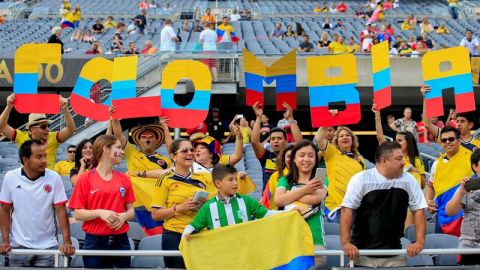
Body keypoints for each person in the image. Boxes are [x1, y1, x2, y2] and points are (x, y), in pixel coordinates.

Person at [341, 141, 427, 267]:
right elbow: (347, 209)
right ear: (384, 160)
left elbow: (419, 210)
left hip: (395, 254)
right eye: (399, 159)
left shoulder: (409, 180)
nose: (403, 162)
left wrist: (419, 242)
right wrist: (346, 243)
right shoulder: (360, 179)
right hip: (362, 255)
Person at [0, 140, 75, 266]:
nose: (44, 160)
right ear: (25, 159)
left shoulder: (54, 177)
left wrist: (67, 242)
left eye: (45, 156)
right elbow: (4, 209)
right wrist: (6, 241)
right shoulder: (10, 177)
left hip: (47, 248)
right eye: (39, 157)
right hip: (18, 247)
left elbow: (61, 211)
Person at [69, 135, 135, 268]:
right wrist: (100, 213)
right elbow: (77, 214)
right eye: (118, 147)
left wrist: (123, 216)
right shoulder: (85, 179)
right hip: (94, 240)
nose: (122, 151)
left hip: (121, 239)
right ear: (105, 149)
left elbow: (131, 211)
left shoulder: (125, 179)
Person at [151, 139, 208, 268]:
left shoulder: (201, 180)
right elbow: (155, 215)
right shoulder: (165, 180)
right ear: (173, 156)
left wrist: (204, 206)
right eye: (184, 151)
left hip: (199, 234)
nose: (190, 153)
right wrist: (180, 208)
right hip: (174, 236)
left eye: (191, 150)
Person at [110, 116, 172, 235]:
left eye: (151, 137)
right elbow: (118, 135)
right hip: (137, 205)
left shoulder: (165, 160)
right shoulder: (131, 153)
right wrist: (115, 119)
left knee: (158, 236)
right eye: (143, 137)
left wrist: (165, 127)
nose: (147, 139)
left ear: (157, 140)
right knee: (141, 236)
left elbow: (173, 156)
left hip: (158, 204)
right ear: (139, 141)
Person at [183, 164, 280, 239]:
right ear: (218, 183)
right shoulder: (208, 207)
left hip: (246, 256)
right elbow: (193, 226)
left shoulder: (247, 201)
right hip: (223, 258)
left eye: (236, 179)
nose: (235, 183)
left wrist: (289, 211)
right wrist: (187, 233)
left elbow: (269, 214)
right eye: (230, 180)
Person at [275, 140, 328, 265]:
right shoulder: (285, 179)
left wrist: (290, 194)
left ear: (315, 159)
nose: (306, 159)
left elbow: (316, 198)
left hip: (315, 239)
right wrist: (306, 189)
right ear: (294, 159)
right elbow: (278, 200)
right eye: (302, 155)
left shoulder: (321, 179)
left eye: (311, 155)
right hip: (290, 239)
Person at [373, 104, 426, 228]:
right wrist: (377, 116)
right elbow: (380, 137)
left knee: (405, 233)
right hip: (391, 198)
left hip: (410, 202)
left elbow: (423, 184)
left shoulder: (416, 160)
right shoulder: (390, 155)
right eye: (396, 140)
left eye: (400, 140)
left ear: (409, 143)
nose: (396, 142)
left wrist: (415, 171)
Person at [0, 94, 76, 170]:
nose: (47, 129)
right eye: (43, 127)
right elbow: (2, 126)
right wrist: (8, 107)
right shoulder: (21, 136)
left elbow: (71, 129)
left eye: (48, 126)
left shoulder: (53, 137)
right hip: (27, 180)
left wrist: (65, 109)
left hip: (47, 180)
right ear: (32, 129)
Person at [425, 126, 473, 236]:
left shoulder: (471, 159)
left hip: (466, 217)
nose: (447, 142)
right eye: (444, 140)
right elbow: (430, 186)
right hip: (442, 218)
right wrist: (428, 200)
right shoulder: (437, 164)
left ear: (459, 140)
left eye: (451, 139)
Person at [315, 124, 366, 222]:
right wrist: (327, 120)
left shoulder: (360, 160)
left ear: (352, 139)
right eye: (341, 136)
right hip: (335, 208)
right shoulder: (332, 153)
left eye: (347, 135)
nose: (345, 137)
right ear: (336, 141)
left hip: (355, 208)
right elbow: (319, 138)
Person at [252, 102, 302, 191]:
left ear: (286, 141)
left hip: (288, 199)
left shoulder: (291, 157)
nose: (275, 141)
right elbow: (254, 142)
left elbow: (300, 143)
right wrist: (259, 118)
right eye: (273, 139)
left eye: (279, 138)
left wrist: (290, 118)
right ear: (270, 141)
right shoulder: (266, 156)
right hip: (268, 201)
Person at [445, 149, 480, 265]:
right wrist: (461, 191)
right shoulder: (467, 187)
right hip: (469, 248)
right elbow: (450, 212)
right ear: (475, 166)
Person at [421, 85, 480, 151]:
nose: (458, 124)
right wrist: (425, 98)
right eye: (457, 121)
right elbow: (427, 124)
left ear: (470, 125)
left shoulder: (478, 141)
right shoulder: (448, 137)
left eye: (462, 121)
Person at [261, 144, 294, 210]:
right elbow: (266, 200)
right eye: (289, 157)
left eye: (294, 156)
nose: (292, 159)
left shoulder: (307, 176)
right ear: (284, 160)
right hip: (278, 215)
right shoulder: (274, 176)